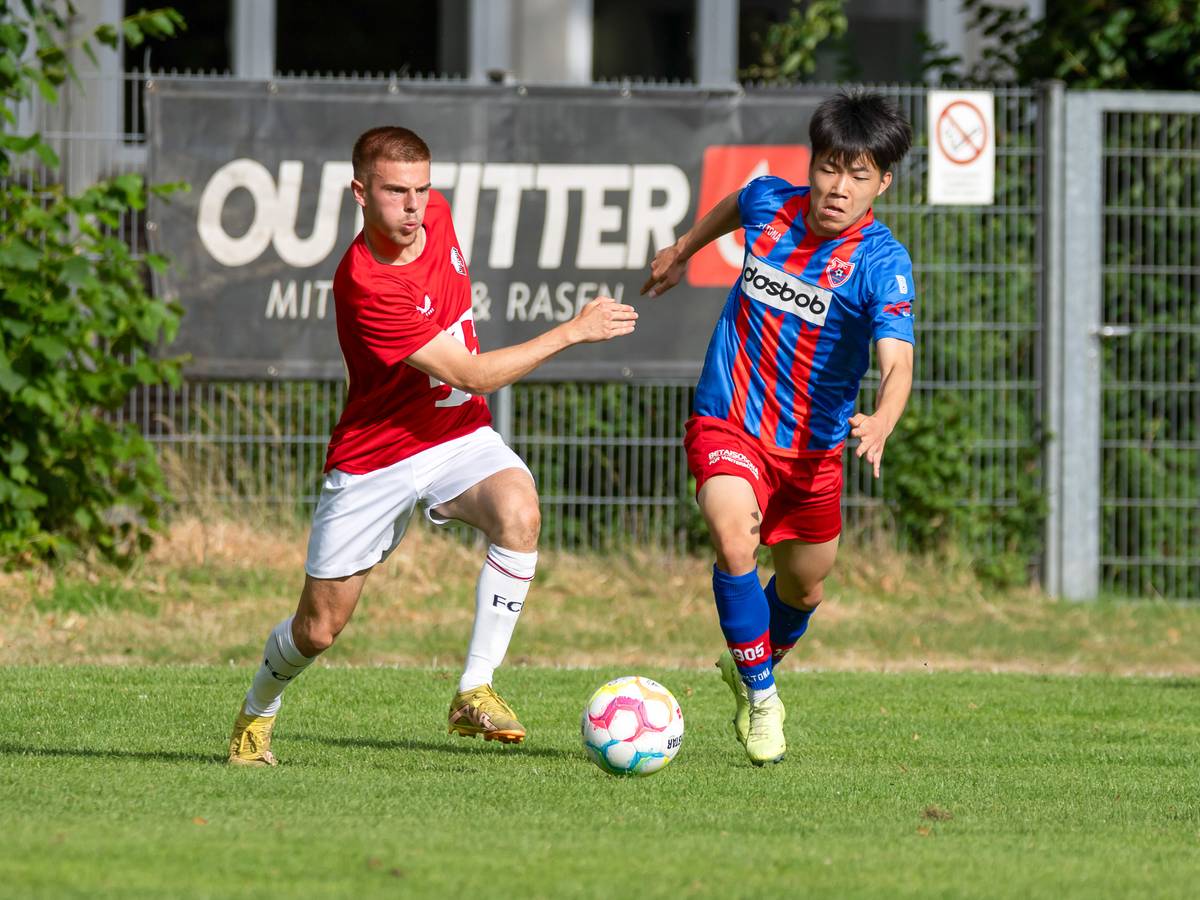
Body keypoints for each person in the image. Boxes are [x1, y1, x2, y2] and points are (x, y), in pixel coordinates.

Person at [227, 126, 638, 765]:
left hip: (456, 435)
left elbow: (467, 387)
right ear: (359, 193)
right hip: (377, 457)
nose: (414, 205)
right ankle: (257, 711)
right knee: (319, 629)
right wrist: (571, 332)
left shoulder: (436, 215)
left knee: (520, 512)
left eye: (422, 188)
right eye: (396, 192)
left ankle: (474, 688)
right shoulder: (366, 284)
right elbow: (474, 374)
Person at [641, 90, 915, 766]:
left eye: (858, 175)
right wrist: (683, 248)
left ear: (882, 182)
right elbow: (740, 199)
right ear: (812, 164)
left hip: (813, 450)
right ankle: (762, 696)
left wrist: (883, 415)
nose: (837, 188)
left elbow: (898, 359)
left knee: (804, 588)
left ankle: (749, 661)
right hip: (729, 417)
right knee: (736, 539)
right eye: (829, 167)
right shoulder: (774, 203)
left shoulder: (883, 264)